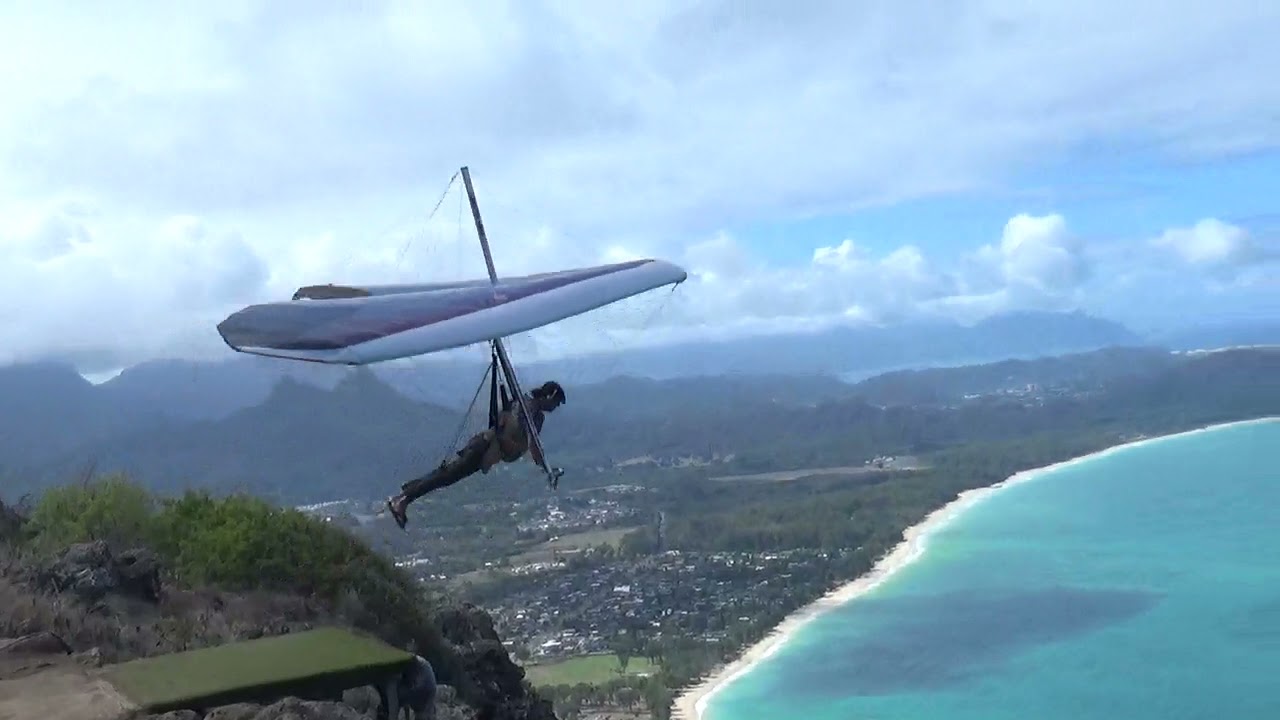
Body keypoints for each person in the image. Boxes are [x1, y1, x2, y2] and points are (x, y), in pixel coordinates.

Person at [385, 380, 566, 529]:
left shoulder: (528, 407)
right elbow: (532, 445)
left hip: (484, 448)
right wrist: (546, 469)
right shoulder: (529, 409)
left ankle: (404, 495)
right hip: (484, 447)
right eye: (556, 402)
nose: (555, 407)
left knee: (446, 475)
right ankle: (403, 500)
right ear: (549, 396)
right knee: (446, 475)